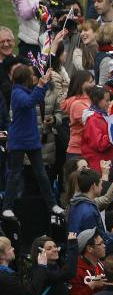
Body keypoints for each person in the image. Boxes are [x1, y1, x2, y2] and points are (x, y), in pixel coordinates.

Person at [2, 64, 64, 219]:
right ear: (25, 79)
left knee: (41, 174)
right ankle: (7, 207)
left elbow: (37, 97)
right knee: (15, 174)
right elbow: (30, 102)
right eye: (31, 76)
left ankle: (52, 204)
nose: (33, 78)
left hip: (31, 139)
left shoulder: (26, 91)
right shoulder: (17, 93)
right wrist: (42, 85)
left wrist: (43, 83)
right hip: (19, 140)